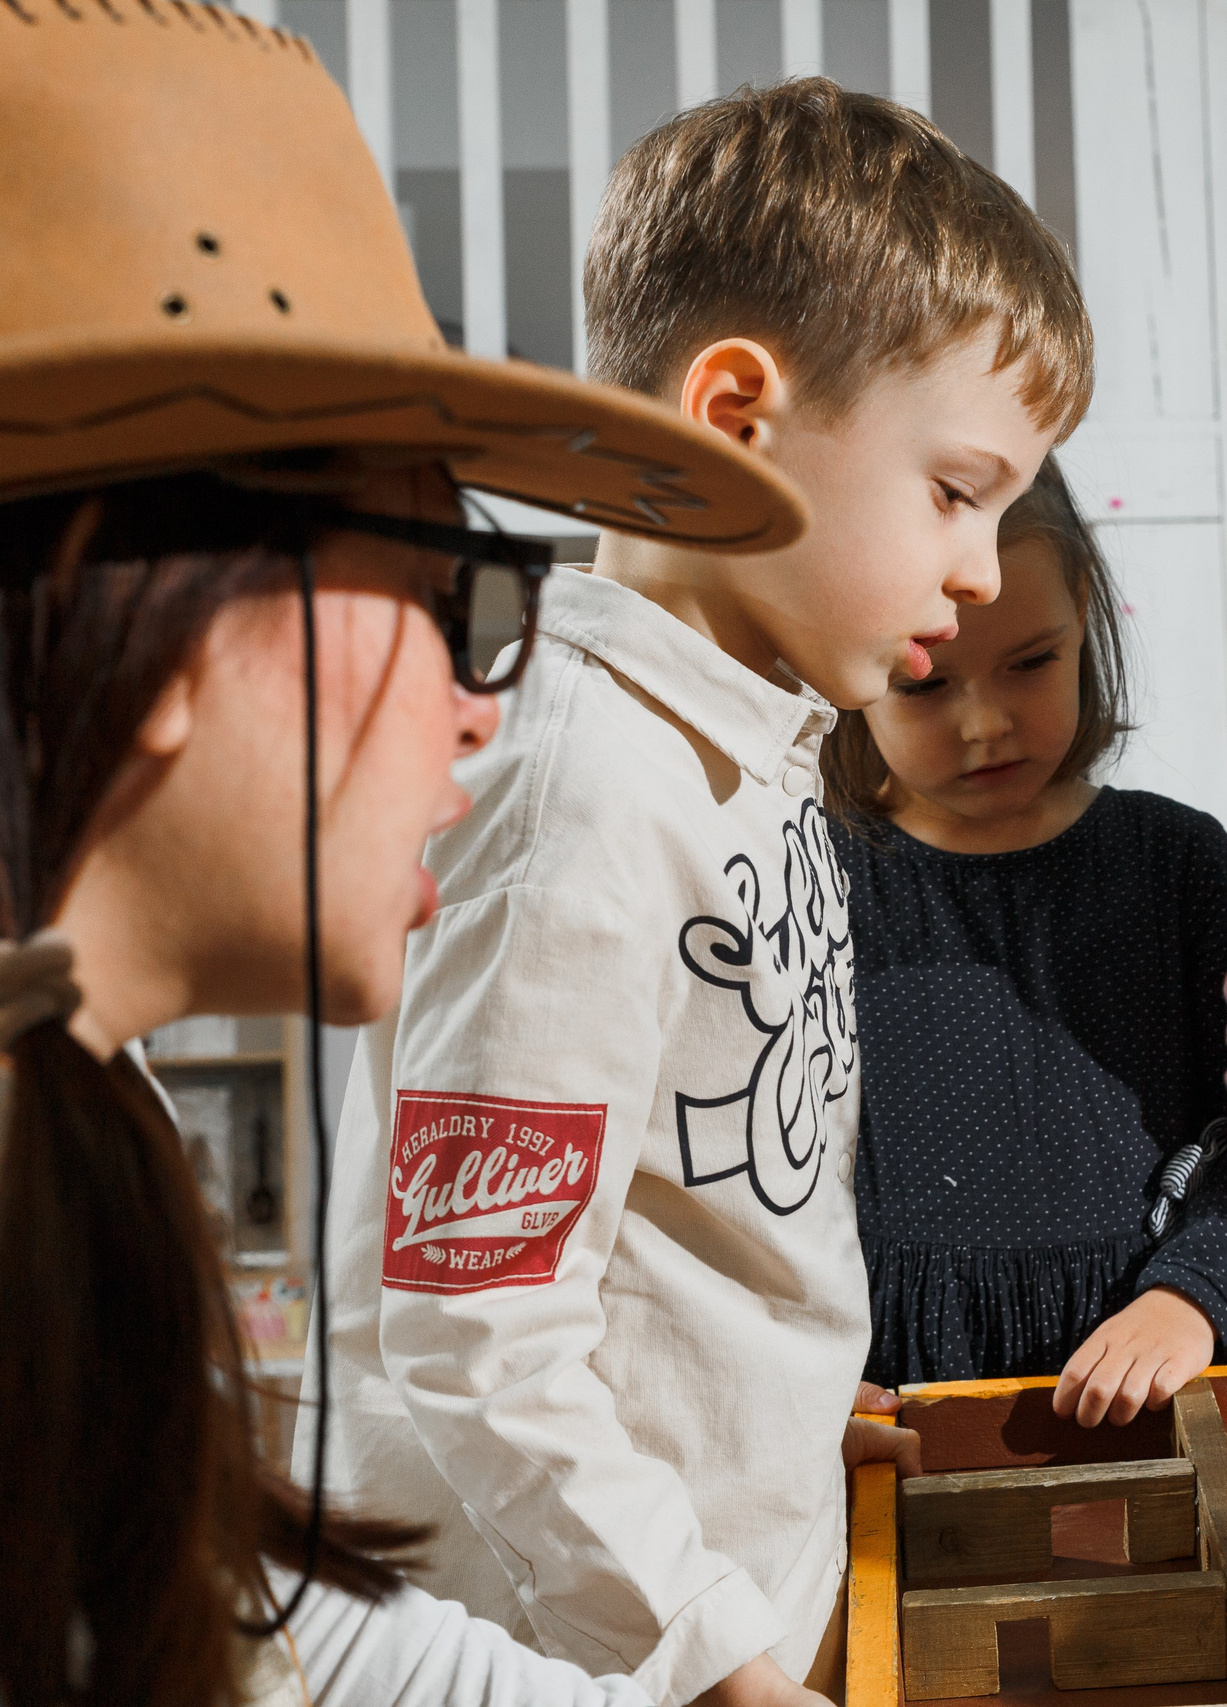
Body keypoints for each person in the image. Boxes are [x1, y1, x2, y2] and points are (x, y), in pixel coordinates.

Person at [0, 10, 805, 1704]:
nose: (474, 704)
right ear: (152, 609)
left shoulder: (73, 1109)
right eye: (446, 599)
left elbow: (279, 1636)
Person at [302, 83, 1087, 1706]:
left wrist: (789, 1419)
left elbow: (713, 1199)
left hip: (755, 1581)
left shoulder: (765, 738)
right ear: (736, 414)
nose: (986, 569)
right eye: (957, 490)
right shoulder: (585, 783)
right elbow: (475, 1333)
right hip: (615, 1663)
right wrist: (715, 1655)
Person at [827, 460, 1227, 1427]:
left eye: (1031, 662)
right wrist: (798, 1375)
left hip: (1152, 1393)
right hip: (886, 1412)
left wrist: (1193, 1290)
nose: (985, 723)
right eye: (927, 682)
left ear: (1086, 619)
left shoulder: (1177, 863)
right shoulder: (811, 873)